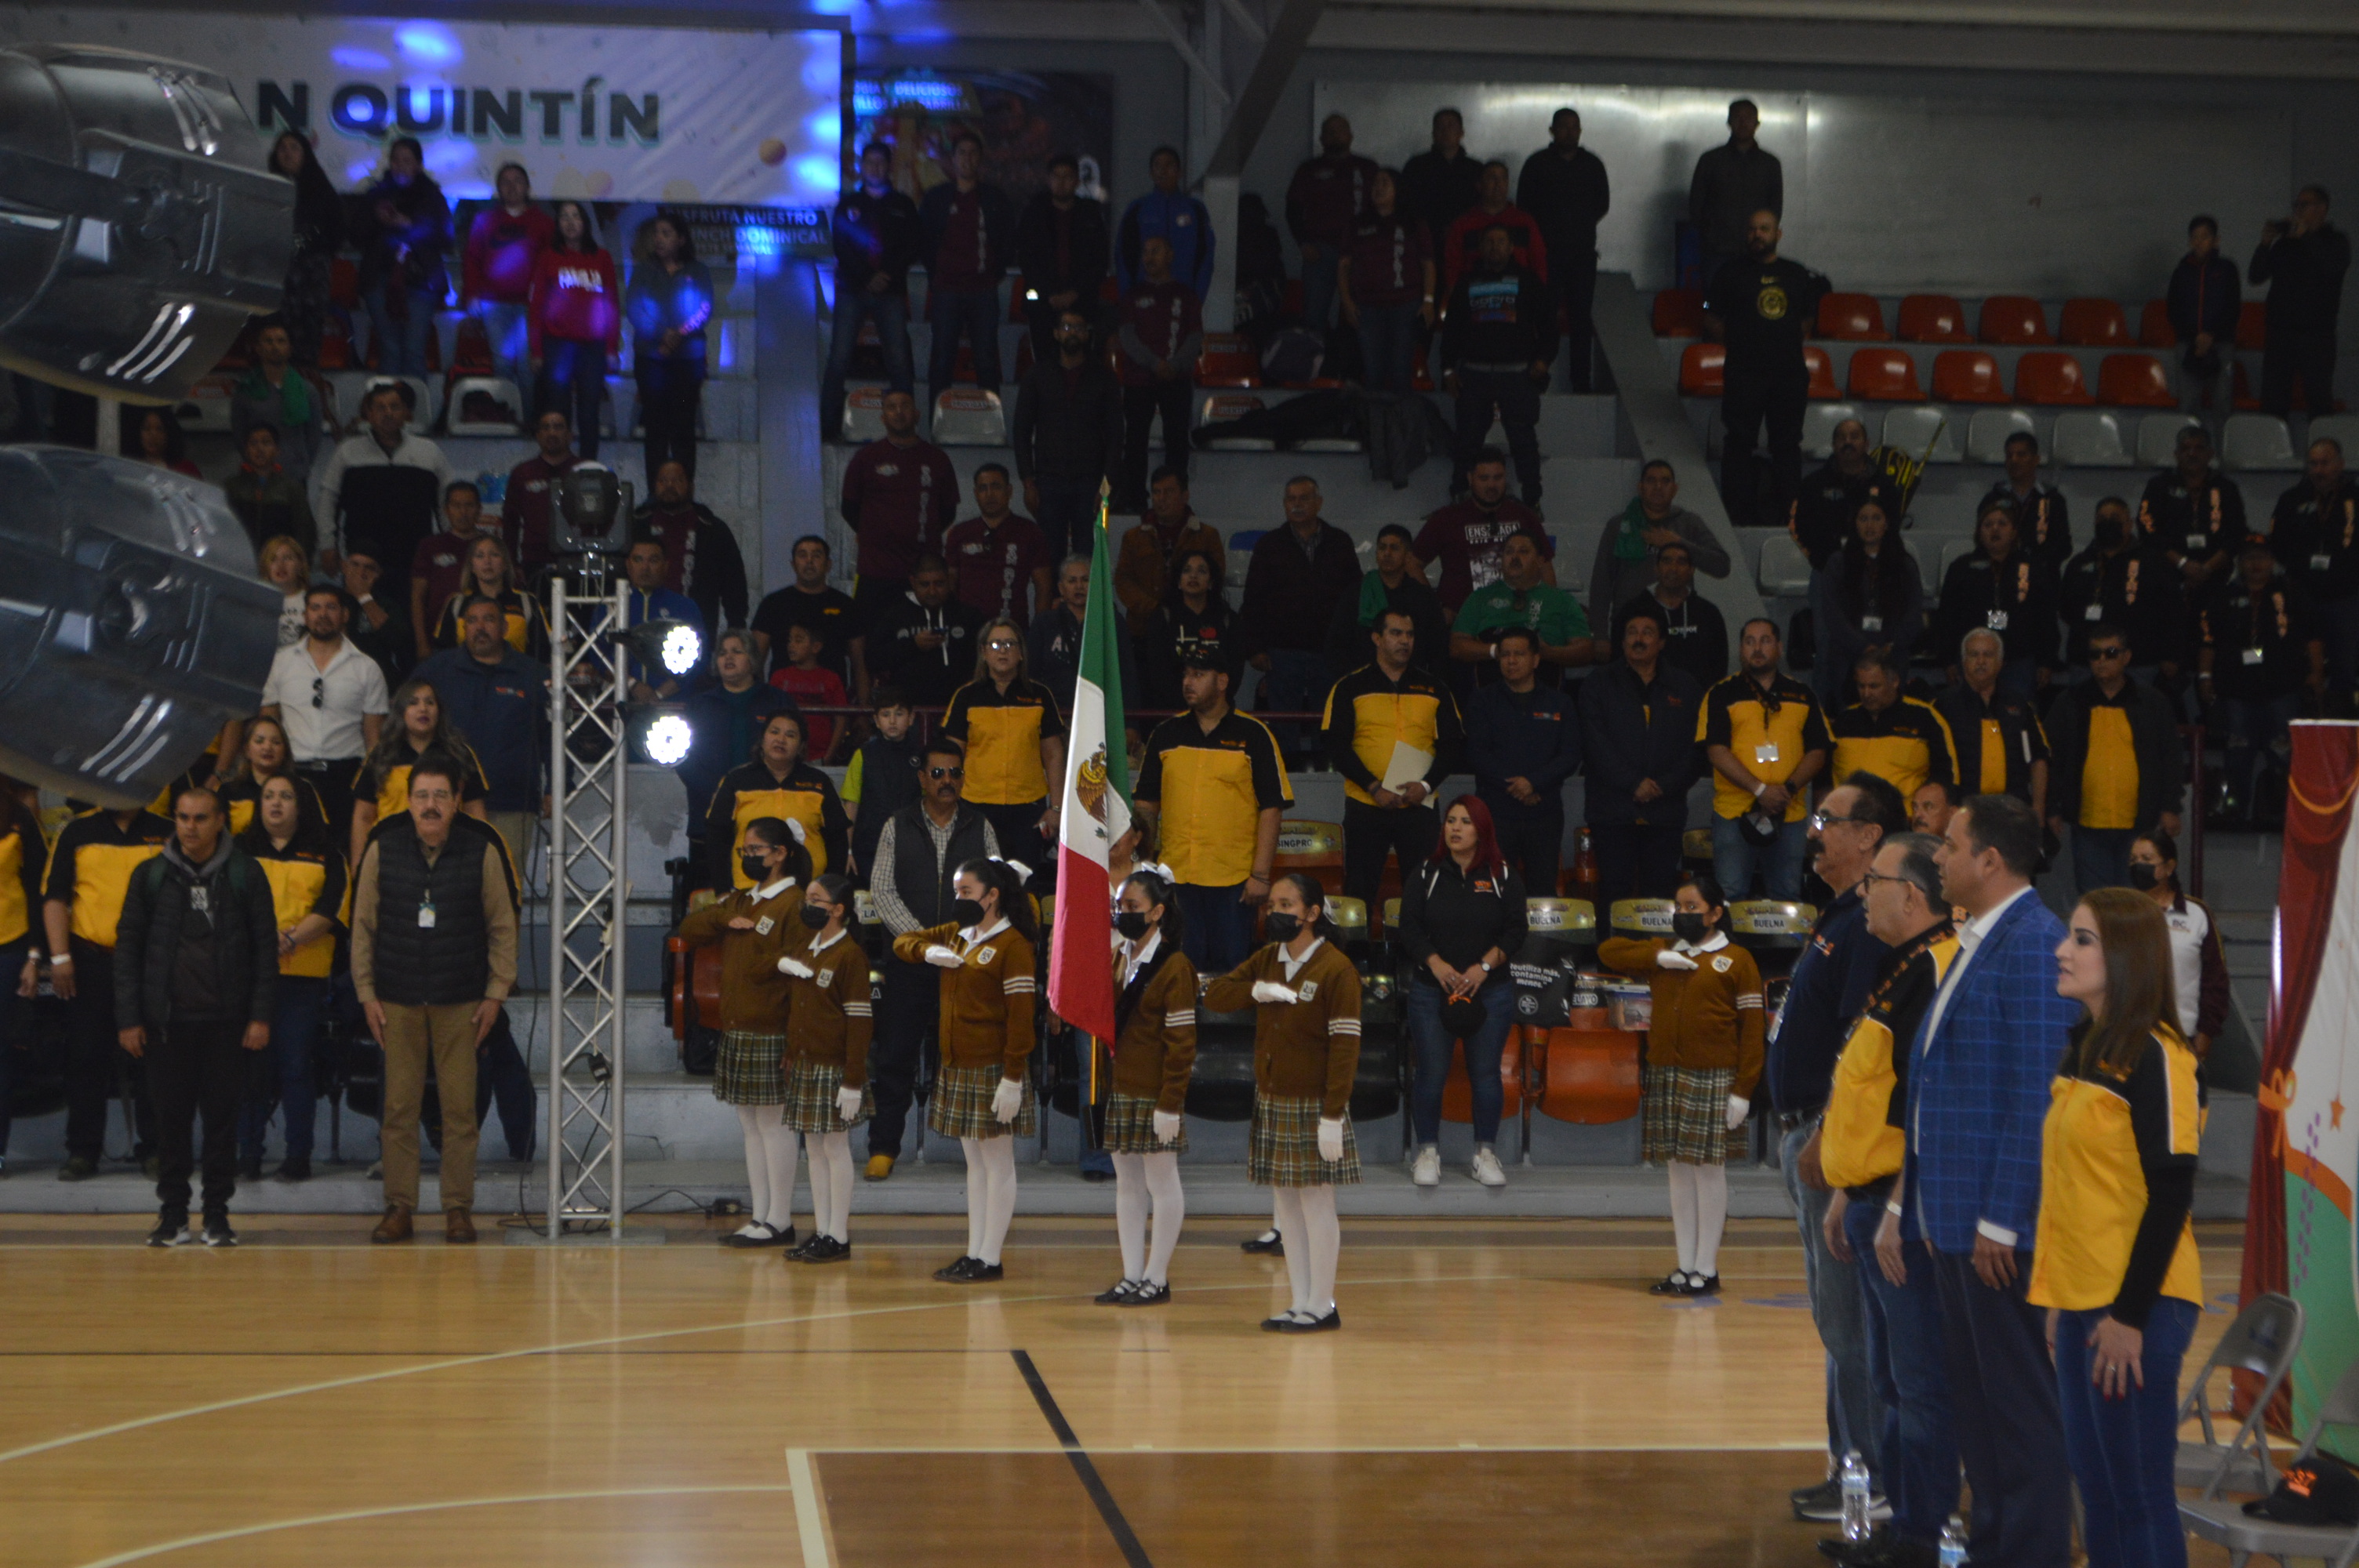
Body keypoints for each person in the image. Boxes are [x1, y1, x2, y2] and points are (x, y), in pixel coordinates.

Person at [1906, 794, 2078, 1567]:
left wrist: (2002, 1220)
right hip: (1954, 1214)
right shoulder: (1979, 938)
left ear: (1990, 859)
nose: (1936, 856)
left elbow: (2034, 1097)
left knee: (2017, 1410)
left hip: (1993, 1225)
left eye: (1949, 844)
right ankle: (1993, 1548)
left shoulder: (2034, 943)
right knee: (1977, 1408)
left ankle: (2032, 1553)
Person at [2033, 888, 2205, 1568]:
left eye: (2082, 940)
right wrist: (2058, 1297)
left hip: (2139, 1307)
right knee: (2098, 1491)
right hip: (2082, 1303)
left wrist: (2130, 1316)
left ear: (2127, 956)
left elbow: (2171, 1192)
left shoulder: (2160, 1054)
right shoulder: (2083, 1047)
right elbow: (2070, 1190)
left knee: (2138, 1495)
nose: (2062, 951)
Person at [1765, 771, 1905, 1525]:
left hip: (1829, 1136)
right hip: (1808, 1129)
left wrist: (1827, 1136)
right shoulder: (1840, 915)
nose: (1814, 831)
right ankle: (1847, 1464)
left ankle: (1868, 1474)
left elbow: (1860, 1044)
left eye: (1828, 819)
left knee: (1847, 1321)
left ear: (1870, 836)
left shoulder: (1865, 928)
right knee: (1834, 1318)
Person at [1816, 831, 1960, 1565]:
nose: (1862, 892)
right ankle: (1906, 1524)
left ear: (1911, 894)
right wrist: (1849, 1190)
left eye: (1874, 880)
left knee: (1919, 1381)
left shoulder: (1938, 968)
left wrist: (1899, 1205)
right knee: (1890, 1379)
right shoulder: (1903, 964)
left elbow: (1926, 1106)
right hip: (1872, 1200)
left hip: (1904, 1212)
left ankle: (1923, 1534)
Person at [351, 757, 519, 1244]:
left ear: (456, 801)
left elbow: (502, 927)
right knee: (398, 1111)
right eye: (422, 796)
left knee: (460, 1113)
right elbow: (363, 925)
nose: (430, 805)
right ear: (408, 802)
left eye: (440, 796)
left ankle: (458, 1209)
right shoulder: (382, 847)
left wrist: (496, 994)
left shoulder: (482, 849)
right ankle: (399, 1207)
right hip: (396, 999)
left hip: (461, 1001)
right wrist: (366, 993)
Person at [113, 789, 277, 1247]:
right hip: (167, 1024)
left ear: (220, 821)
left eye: (200, 818)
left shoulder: (246, 873)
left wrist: (260, 1016)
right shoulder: (150, 875)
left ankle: (218, 1215)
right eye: (183, 818)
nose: (189, 827)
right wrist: (129, 1018)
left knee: (222, 1124)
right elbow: (128, 950)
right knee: (170, 1125)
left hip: (227, 1023)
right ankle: (172, 1216)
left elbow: (266, 951)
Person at [1205, 873, 1362, 1330]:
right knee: (1286, 1205)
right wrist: (1254, 990)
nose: (1275, 912)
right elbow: (1216, 994)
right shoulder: (1268, 958)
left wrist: (1333, 1115)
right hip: (1273, 1096)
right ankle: (1299, 1299)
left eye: (1286, 904)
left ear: (1312, 913)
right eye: (1272, 904)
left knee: (1317, 1203)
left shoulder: (1336, 969)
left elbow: (1345, 1048)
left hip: (1315, 1101)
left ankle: (1322, 1303)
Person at [1601, 873, 1764, 1296]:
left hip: (1714, 1075)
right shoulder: (1666, 952)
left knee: (1709, 1171)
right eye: (1678, 907)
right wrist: (1658, 957)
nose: (1683, 913)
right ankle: (1684, 1264)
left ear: (1715, 913)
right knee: (1677, 1170)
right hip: (1667, 1071)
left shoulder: (1738, 960)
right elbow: (1608, 951)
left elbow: (1752, 1030)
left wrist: (1744, 1090)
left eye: (1692, 907)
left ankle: (1706, 1268)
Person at [894, 856, 1038, 1282]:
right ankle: (975, 1251)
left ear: (992, 896)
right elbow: (903, 942)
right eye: (956, 891)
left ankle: (990, 1257)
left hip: (994, 1067)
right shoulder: (958, 934)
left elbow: (1021, 1017)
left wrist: (1013, 1077)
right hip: (958, 1064)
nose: (957, 898)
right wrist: (928, 950)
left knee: (998, 1164)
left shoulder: (1013, 945)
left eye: (965, 892)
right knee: (975, 1165)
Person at [866, 736, 1001, 1176]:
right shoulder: (897, 824)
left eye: (955, 773)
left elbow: (995, 891)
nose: (947, 781)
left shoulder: (980, 826)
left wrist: (960, 944)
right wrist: (924, 944)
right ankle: (884, 1148)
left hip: (965, 964)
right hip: (910, 963)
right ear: (922, 778)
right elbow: (882, 890)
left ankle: (974, 1151)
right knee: (895, 1056)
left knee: (966, 1057)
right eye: (938, 773)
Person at [675, 817, 810, 1248]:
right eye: (744, 851)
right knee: (751, 1125)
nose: (748, 858)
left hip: (772, 1027)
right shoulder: (742, 899)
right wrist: (724, 918)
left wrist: (795, 1038)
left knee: (774, 1125)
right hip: (738, 1025)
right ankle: (760, 1214)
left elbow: (802, 974)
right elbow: (690, 928)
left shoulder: (794, 903)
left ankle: (780, 1218)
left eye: (755, 851)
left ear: (780, 854)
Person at [1132, 647, 1289, 973]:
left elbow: (1272, 808)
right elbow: (1145, 806)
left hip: (1233, 881)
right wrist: (1143, 866)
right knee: (1179, 969)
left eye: (1198, 675)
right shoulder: (1165, 734)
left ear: (1222, 682)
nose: (1188, 682)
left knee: (1231, 972)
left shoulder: (1254, 734)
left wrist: (1261, 875)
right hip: (1176, 876)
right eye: (1186, 675)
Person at [1399, 796, 1527, 1188]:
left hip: (1490, 991)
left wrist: (1484, 967)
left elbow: (1516, 931)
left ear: (1482, 830)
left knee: (1486, 1073)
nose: (1455, 828)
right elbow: (1409, 927)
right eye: (1451, 821)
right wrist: (1436, 964)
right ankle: (1427, 1153)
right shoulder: (1426, 872)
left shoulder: (1502, 875)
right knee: (1430, 1073)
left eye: (1465, 822)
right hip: (1431, 990)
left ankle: (1485, 1154)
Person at [42, 800, 171, 1181]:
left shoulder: (167, 830)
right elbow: (54, 897)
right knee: (85, 1058)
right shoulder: (76, 831)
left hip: (149, 961)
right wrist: (60, 957)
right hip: (90, 960)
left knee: (153, 1058)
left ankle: (157, 1149)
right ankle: (83, 1152)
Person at [234, 775, 344, 1185]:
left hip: (302, 977)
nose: (276, 803)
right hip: (249, 976)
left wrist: (290, 940)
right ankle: (248, 1154)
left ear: (302, 806)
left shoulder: (326, 852)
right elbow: (228, 905)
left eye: (285, 796)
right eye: (268, 796)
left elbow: (332, 908)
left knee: (296, 1066)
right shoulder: (239, 850)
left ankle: (299, 1156)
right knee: (249, 1067)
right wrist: (265, 941)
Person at [1095, 869, 1197, 1305]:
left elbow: (1182, 1044)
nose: (1123, 913)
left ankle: (1157, 1277)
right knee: (1128, 1184)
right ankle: (1132, 1273)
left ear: (1156, 912)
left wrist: (1171, 1102)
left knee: (1162, 1182)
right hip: (1123, 1088)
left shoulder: (1174, 966)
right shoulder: (1119, 956)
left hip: (1156, 1093)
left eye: (1132, 906)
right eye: (1119, 906)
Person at [1325, 608, 1465, 908]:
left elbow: (1453, 745)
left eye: (1410, 635)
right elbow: (1336, 746)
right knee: (1359, 891)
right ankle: (1359, 942)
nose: (1405, 641)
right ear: (1377, 638)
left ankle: (1420, 942)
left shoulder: (1435, 688)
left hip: (1419, 805)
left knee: (1425, 891)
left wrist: (1426, 786)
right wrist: (1373, 787)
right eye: (1396, 633)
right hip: (1367, 803)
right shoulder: (1349, 686)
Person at [1705, 209, 1828, 531]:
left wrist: (1781, 342)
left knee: (1787, 446)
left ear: (1778, 234)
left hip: (1788, 376)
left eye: (1764, 228)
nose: (1757, 234)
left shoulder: (1796, 274)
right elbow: (1709, 312)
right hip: (1744, 374)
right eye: (1752, 229)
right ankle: (1736, 515)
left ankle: (1790, 516)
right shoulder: (1729, 273)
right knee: (1738, 444)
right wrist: (1738, 342)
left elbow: (1807, 318)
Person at [769, 870, 871, 1261]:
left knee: (834, 1147)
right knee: (813, 1149)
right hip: (807, 1063)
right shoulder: (807, 947)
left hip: (835, 1066)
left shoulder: (849, 955)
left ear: (838, 910)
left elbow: (859, 1021)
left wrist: (853, 1079)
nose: (807, 906)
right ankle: (823, 1229)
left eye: (816, 901)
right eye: (807, 899)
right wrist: (793, 1050)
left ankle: (838, 1235)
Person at [2046, 622, 2186, 894]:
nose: (2102, 660)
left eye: (2110, 653)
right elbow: (2053, 759)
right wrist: (2052, 808)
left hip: (2139, 823)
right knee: (2095, 902)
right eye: (2094, 654)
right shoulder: (2070, 702)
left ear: (2126, 657)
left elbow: (2171, 758)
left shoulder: (2152, 703)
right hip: (2088, 823)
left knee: (2133, 899)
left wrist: (2170, 807)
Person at [1699, 618, 1830, 900]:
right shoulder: (1721, 693)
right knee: (1730, 895)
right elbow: (1716, 751)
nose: (1757, 648)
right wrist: (1760, 790)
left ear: (1780, 647)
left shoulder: (1803, 694)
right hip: (1734, 813)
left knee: (1787, 897)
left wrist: (1787, 791)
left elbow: (1818, 752)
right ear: (1740, 649)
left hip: (1789, 812)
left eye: (1765, 641)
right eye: (1749, 641)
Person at [1582, 606, 1704, 906]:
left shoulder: (1686, 687)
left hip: (1665, 811)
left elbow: (1697, 749)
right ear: (1622, 641)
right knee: (1614, 893)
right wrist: (1633, 783)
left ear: (1661, 642)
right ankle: (1611, 941)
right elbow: (1594, 743)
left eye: (1647, 633)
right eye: (1632, 633)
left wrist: (1663, 786)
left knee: (1659, 896)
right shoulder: (1598, 683)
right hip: (1613, 810)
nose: (1639, 639)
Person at [415, 596, 549, 868]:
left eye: (489, 620)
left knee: (506, 881)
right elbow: (407, 721)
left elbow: (551, 737)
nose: (480, 627)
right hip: (446, 801)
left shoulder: (532, 674)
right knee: (446, 881)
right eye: (472, 621)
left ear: (505, 628)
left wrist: (558, 787)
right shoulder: (437, 670)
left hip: (512, 802)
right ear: (463, 628)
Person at [2199, 542, 2324, 819]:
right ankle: (2235, 815)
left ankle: (2285, 817)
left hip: (2283, 688)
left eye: (2262, 557)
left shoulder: (2292, 592)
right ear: (2240, 563)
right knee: (2237, 756)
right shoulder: (2224, 595)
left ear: (2272, 561)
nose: (2256, 564)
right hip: (2237, 690)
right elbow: (2208, 641)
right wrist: (2205, 676)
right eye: (2249, 558)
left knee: (2283, 756)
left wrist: (2316, 672)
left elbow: (2312, 635)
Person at [1241, 479, 1361, 764]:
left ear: (1319, 503)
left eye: (1304, 498)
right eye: (1291, 499)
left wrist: (1349, 649)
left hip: (1329, 652)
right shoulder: (1269, 545)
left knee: (1329, 726)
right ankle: (1284, 779)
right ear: (1284, 505)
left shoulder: (1340, 542)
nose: (1296, 504)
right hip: (1282, 653)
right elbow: (1253, 600)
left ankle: (1328, 776)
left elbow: (1354, 599)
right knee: (1283, 730)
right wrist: (1254, 648)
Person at [260, 584, 391, 842]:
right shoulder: (281, 663)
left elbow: (374, 737)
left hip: (346, 776)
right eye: (315, 608)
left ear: (345, 615)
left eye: (331, 607)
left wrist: (373, 784)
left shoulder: (366, 668)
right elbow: (268, 723)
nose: (322, 614)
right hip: (293, 774)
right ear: (305, 615)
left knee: (340, 848)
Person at [941, 618, 1067, 879]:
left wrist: (1056, 809)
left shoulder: (1040, 695)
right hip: (976, 806)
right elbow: (951, 757)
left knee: (1024, 883)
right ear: (983, 652)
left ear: (1021, 653)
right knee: (977, 881)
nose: (1003, 651)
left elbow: (1054, 755)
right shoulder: (966, 696)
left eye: (1010, 644)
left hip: (1028, 808)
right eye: (995, 644)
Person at [1439, 225, 1554, 508]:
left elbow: (1548, 325)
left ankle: (1532, 502)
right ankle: (1460, 497)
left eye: (1501, 241)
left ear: (1511, 247)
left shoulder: (1528, 281)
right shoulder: (1466, 283)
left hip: (1517, 374)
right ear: (1481, 247)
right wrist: (1448, 370)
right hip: (1474, 374)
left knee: (1523, 441)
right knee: (1467, 440)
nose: (1494, 246)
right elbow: (1451, 330)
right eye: (1489, 241)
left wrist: (1544, 359)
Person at [311, 380, 453, 595]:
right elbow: (328, 501)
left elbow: (446, 503)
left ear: (406, 412)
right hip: (362, 558)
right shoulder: (347, 452)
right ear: (368, 414)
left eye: (395, 407)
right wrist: (327, 546)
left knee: (413, 614)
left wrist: (450, 544)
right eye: (380, 408)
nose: (388, 413)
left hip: (415, 558)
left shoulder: (429, 452)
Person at [821, 143, 920, 438]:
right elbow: (841, 245)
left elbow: (911, 245)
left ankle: (905, 427)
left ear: (889, 166)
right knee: (839, 358)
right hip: (852, 289)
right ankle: (827, 428)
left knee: (899, 361)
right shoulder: (848, 204)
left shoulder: (903, 204)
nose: (875, 167)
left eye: (881, 162)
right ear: (861, 166)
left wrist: (886, 274)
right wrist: (867, 276)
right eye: (870, 162)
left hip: (891, 290)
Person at [1011, 307, 1124, 561]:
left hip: (1091, 482)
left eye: (1079, 328)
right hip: (1048, 481)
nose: (1072, 333)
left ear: (1087, 334)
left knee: (1089, 556)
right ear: (1056, 333)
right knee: (1049, 556)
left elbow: (1116, 436)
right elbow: (1021, 431)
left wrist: (1106, 486)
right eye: (1066, 327)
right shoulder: (1037, 376)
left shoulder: (1104, 378)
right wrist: (1028, 481)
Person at [347, 677, 490, 874]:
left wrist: (479, 861)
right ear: (400, 711)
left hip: (450, 857)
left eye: (430, 702)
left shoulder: (459, 754)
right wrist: (359, 867)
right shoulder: (381, 755)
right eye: (413, 703)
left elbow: (476, 813)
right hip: (390, 856)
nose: (423, 709)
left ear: (439, 710)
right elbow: (363, 816)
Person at [840, 389, 960, 619]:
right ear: (883, 417)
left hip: (923, 573)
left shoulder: (937, 459)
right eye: (891, 407)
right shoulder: (866, 458)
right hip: (875, 571)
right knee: (871, 634)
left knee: (923, 633)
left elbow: (948, 511)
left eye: (905, 406)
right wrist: (875, 535)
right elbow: (849, 508)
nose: (899, 412)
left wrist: (917, 534)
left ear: (916, 414)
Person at [1515, 107, 1610, 392]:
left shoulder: (1592, 164)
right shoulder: (1537, 164)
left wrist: (1577, 226)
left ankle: (1581, 382)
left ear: (1580, 131)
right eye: (1564, 126)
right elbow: (1525, 207)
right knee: (1544, 316)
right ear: (1552, 130)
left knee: (1581, 318)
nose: (1570, 131)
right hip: (1545, 255)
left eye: (1574, 127)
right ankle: (1537, 375)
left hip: (1581, 255)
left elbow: (1602, 204)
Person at [704, 710, 849, 887]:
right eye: (774, 732)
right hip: (747, 889)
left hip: (807, 890)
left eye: (790, 735)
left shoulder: (819, 783)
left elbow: (838, 841)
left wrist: (830, 891)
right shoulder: (737, 781)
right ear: (762, 739)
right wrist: (722, 890)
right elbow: (716, 838)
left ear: (801, 746)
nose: (781, 740)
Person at [919, 132, 1016, 399]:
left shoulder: (994, 198)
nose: (967, 159)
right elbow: (924, 240)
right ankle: (937, 421)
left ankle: (992, 421)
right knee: (942, 361)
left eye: (973, 153)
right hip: (946, 289)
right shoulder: (937, 197)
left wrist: (994, 273)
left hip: (983, 290)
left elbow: (1008, 240)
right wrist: (937, 273)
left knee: (986, 362)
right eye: (962, 153)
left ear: (980, 159)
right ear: (953, 158)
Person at [680, 631, 791, 856]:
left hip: (767, 815)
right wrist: (721, 795)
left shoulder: (777, 701)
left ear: (753, 660)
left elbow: (791, 752)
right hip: (710, 816)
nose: (728, 657)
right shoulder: (699, 705)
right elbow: (684, 759)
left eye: (737, 652)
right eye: (722, 653)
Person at [2248, 184, 2350, 423]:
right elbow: (2256, 275)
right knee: (2273, 399)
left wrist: (2306, 236)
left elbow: (2332, 267)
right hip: (2280, 332)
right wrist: (2265, 244)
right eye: (2297, 205)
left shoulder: (2336, 241)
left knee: (2319, 398)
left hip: (2317, 334)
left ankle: (2322, 445)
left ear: (2322, 209)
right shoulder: (2286, 244)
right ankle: (2273, 444)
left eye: (2305, 205)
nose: (2298, 210)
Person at [528, 200, 620, 458]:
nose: (570, 222)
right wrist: (536, 350)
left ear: (585, 223)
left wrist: (612, 348)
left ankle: (588, 466)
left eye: (575, 216)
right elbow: (536, 307)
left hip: (593, 347)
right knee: (559, 411)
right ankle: (561, 464)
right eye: (564, 217)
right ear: (558, 224)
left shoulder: (602, 258)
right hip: (557, 345)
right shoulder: (548, 257)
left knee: (589, 411)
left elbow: (612, 304)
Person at [1450, 527, 1599, 688]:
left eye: (1523, 551)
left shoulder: (1561, 600)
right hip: (1491, 693)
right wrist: (1496, 651)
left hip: (1545, 690)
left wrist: (1547, 652)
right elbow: (1456, 647)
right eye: (1509, 552)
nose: (1515, 557)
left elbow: (1586, 651)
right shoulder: (1480, 598)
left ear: (1540, 561)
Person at [351, 137, 450, 378]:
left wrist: (410, 225)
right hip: (379, 279)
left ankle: (414, 402)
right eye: (396, 160)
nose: (401, 166)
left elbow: (446, 239)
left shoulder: (433, 196)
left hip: (421, 281)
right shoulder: (376, 194)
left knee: (414, 350)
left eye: (407, 160)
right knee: (389, 349)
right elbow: (355, 236)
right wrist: (376, 219)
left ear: (419, 165)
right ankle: (387, 400)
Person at [1934, 503, 2055, 699]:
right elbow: (1947, 617)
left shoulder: (2032, 568)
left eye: (2002, 524)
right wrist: (1947, 660)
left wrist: (2046, 661)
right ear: (1979, 532)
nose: (1995, 529)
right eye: (1988, 524)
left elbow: (2045, 618)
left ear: (2014, 531)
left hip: (2018, 660)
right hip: (1973, 660)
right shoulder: (1962, 567)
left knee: (2017, 713)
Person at [1812, 496, 1925, 709]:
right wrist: (1862, 646)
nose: (1870, 525)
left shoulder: (1904, 565)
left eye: (1876, 518)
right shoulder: (1838, 563)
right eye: (1863, 519)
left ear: (1887, 523)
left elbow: (1914, 613)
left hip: (1892, 655)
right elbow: (1832, 614)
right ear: (1854, 524)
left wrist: (1890, 646)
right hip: (1848, 657)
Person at [1116, 237, 1203, 508]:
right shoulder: (1132, 295)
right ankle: (1134, 499)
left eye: (1155, 251)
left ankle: (1175, 500)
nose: (1149, 257)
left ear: (1170, 256)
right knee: (1135, 441)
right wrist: (1155, 364)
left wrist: (1174, 365)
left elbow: (1195, 336)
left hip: (1177, 379)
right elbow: (1127, 337)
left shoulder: (1186, 295)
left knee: (1177, 440)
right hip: (1139, 379)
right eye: (1145, 252)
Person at [626, 211, 714, 481]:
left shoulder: (698, 271)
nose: (659, 239)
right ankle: (657, 495)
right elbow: (635, 308)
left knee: (683, 430)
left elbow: (705, 307)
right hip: (651, 361)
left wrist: (679, 334)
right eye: (656, 233)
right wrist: (661, 335)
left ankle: (684, 495)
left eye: (666, 233)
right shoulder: (643, 271)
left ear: (681, 239)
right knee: (656, 430)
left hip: (687, 362)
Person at [1588, 459, 1732, 621]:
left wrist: (1678, 543)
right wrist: (1598, 631)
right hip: (1630, 624)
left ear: (1675, 489)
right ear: (1640, 487)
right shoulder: (1620, 526)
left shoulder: (1689, 523)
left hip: (1677, 621)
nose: (1658, 487)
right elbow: (1601, 581)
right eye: (1651, 481)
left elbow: (1722, 566)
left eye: (1665, 481)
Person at [2058, 495, 2183, 680]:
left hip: (2137, 662)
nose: (2108, 523)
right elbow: (2066, 610)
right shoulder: (2079, 563)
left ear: (2129, 524)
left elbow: (2173, 612)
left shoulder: (2153, 563)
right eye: (2102, 519)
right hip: (2086, 662)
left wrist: (2171, 655)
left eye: (2115, 519)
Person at [1415, 449, 1550, 619]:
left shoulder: (1524, 517)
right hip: (1462, 620)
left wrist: (1544, 613)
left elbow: (1545, 567)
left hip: (1515, 618)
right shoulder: (1446, 519)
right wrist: (1437, 607)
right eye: (1484, 478)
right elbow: (1412, 565)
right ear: (1470, 478)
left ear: (1506, 477)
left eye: (1498, 478)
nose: (1491, 485)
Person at [2129, 829, 2227, 1062]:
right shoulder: (2120, 912)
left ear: (2169, 867)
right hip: (2129, 1034)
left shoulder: (2197, 914)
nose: (2138, 865)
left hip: (2182, 1036)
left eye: (2147, 859)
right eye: (2133, 860)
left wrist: (2206, 1033)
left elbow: (2215, 979)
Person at [2271, 437, 2359, 695]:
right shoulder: (2291, 499)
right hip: (2301, 596)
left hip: (2345, 597)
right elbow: (2277, 544)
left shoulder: (2355, 498)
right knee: (2296, 661)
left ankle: (2343, 713)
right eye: (2313, 464)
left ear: (2340, 464)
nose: (2319, 470)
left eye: (2325, 463)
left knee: (2345, 664)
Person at [1933, 629, 2051, 818]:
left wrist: (2038, 807)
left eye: (1988, 655)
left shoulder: (2019, 705)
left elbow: (2039, 757)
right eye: (1974, 655)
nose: (1981, 661)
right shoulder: (1943, 706)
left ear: (2001, 662)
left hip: (2013, 812)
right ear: (1963, 662)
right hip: (1962, 812)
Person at [1336, 168, 1433, 394]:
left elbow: (1428, 263)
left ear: (1397, 189)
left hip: (1405, 305)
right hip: (1368, 307)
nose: (1378, 188)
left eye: (1385, 182)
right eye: (1375, 183)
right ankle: (1375, 416)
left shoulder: (1413, 223)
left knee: (1401, 372)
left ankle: (1401, 416)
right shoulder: (1358, 224)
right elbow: (1343, 266)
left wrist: (1428, 300)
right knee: (1373, 373)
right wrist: (1347, 302)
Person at [460, 162, 551, 394]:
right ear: (498, 188)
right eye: (506, 182)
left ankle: (528, 416)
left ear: (528, 187)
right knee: (501, 365)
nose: (512, 187)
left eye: (517, 181)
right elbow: (472, 260)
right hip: (493, 304)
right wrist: (472, 295)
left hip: (529, 306)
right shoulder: (484, 220)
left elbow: (549, 266)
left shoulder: (544, 223)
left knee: (527, 368)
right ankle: (506, 412)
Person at [632, 460, 750, 641]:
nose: (669, 486)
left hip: (697, 630)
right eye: (663, 480)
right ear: (654, 486)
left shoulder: (712, 529)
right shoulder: (636, 526)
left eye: (677, 480)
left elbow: (734, 585)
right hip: (641, 628)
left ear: (691, 486)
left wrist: (736, 630)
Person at [1288, 114, 1379, 336]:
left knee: (1360, 316)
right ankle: (1315, 357)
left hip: (1359, 252)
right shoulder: (1309, 170)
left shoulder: (1367, 168)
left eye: (1340, 131)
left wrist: (1374, 245)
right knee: (1314, 318)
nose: (1335, 135)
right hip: (1320, 252)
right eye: (1329, 131)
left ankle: (1351, 358)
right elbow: (1293, 210)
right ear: (1321, 138)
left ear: (1350, 136)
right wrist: (1304, 243)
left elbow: (1381, 209)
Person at [1830, 648, 1957, 804]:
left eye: (1874, 686)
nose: (1867, 694)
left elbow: (1947, 775)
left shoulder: (1924, 717)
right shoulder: (1844, 722)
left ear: (1895, 681)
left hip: (1906, 816)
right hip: (1849, 816)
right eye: (1861, 686)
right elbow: (1825, 779)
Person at [1016, 151, 1110, 359]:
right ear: (1048, 180)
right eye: (1056, 176)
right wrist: (1049, 293)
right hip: (1043, 303)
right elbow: (1026, 259)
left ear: (1077, 181)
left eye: (1067, 176)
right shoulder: (1034, 213)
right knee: (1045, 360)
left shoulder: (1090, 215)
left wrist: (1075, 292)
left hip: (1081, 301)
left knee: (1081, 360)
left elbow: (1099, 260)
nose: (1061, 182)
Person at [2136, 424, 2245, 597]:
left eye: (2199, 448)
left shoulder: (2226, 488)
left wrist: (2206, 568)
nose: (2192, 454)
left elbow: (2237, 533)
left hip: (2216, 576)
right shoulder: (2159, 486)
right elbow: (2147, 528)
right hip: (2166, 575)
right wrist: (2182, 563)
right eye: (2185, 449)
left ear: (2210, 454)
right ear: (2176, 454)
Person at [868, 553, 983, 710]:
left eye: (939, 584)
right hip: (906, 711)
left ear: (949, 580)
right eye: (925, 585)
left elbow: (983, 661)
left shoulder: (969, 616)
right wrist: (913, 644)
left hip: (960, 707)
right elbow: (873, 659)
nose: (932, 591)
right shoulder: (895, 616)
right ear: (913, 582)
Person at [752, 534, 864, 695]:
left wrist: (862, 707)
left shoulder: (846, 606)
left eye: (816, 555)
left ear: (828, 564)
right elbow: (755, 661)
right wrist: (760, 702)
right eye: (802, 555)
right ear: (793, 564)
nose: (809, 561)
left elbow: (860, 664)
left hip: (833, 701)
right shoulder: (773, 604)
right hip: (783, 701)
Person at [1114, 467, 1222, 634]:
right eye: (1156, 492)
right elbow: (1123, 581)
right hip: (1143, 628)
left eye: (1169, 492)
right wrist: (1156, 611)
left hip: (1194, 626)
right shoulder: (1133, 537)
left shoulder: (1207, 536)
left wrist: (1184, 611)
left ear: (1185, 496)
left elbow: (1216, 579)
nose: (1161, 498)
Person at [268, 132, 344, 369]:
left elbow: (337, 229)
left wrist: (313, 249)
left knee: (306, 339)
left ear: (305, 155)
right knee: (274, 335)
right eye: (282, 148)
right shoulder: (267, 187)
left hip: (311, 277)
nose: (288, 153)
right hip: (275, 274)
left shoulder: (320, 189)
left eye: (294, 148)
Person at [1609, 540, 1728, 690]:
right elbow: (1618, 658)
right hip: (1643, 697)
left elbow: (1719, 664)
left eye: (1681, 562)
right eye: (1667, 561)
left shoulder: (1708, 613)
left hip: (1698, 699)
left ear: (1692, 570)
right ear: (1656, 569)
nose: (1673, 568)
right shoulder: (1632, 611)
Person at [0, 784, 45, 1177]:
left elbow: (36, 888)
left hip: (9, 948)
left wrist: (34, 956)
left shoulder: (18, 817)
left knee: (2, 1056)